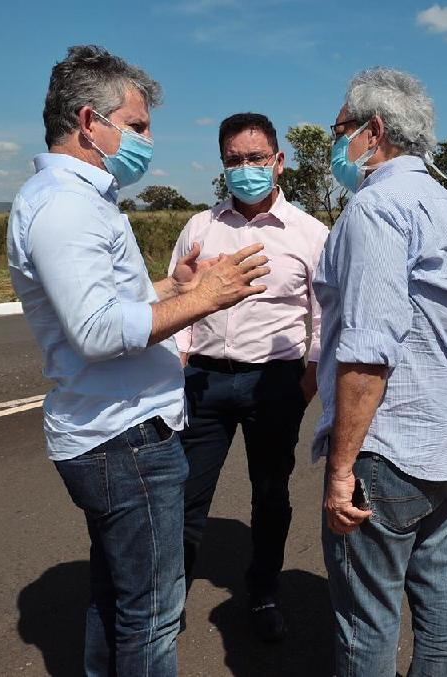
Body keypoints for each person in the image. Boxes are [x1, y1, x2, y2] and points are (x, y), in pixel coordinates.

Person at [6, 45, 269, 676]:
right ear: (90, 121)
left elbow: (102, 307)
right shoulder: (66, 206)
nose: (149, 140)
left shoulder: (77, 198)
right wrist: (207, 298)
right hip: (123, 441)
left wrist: (172, 290)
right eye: (139, 126)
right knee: (151, 617)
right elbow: (97, 333)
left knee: (117, 598)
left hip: (115, 433)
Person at [312, 67, 447, 676]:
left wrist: (340, 471)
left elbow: (367, 354)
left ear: (374, 131)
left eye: (340, 129)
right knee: (441, 605)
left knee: (366, 622)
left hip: (387, 451)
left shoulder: (375, 211)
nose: (338, 143)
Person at [169, 113, 328, 641]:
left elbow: (325, 321)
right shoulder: (201, 227)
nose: (247, 169)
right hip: (206, 383)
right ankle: (169, 601)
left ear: (279, 161)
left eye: (257, 158)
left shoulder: (309, 234)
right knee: (186, 496)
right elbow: (179, 302)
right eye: (234, 160)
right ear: (223, 167)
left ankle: (262, 593)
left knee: (271, 495)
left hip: (275, 385)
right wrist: (182, 365)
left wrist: (303, 387)